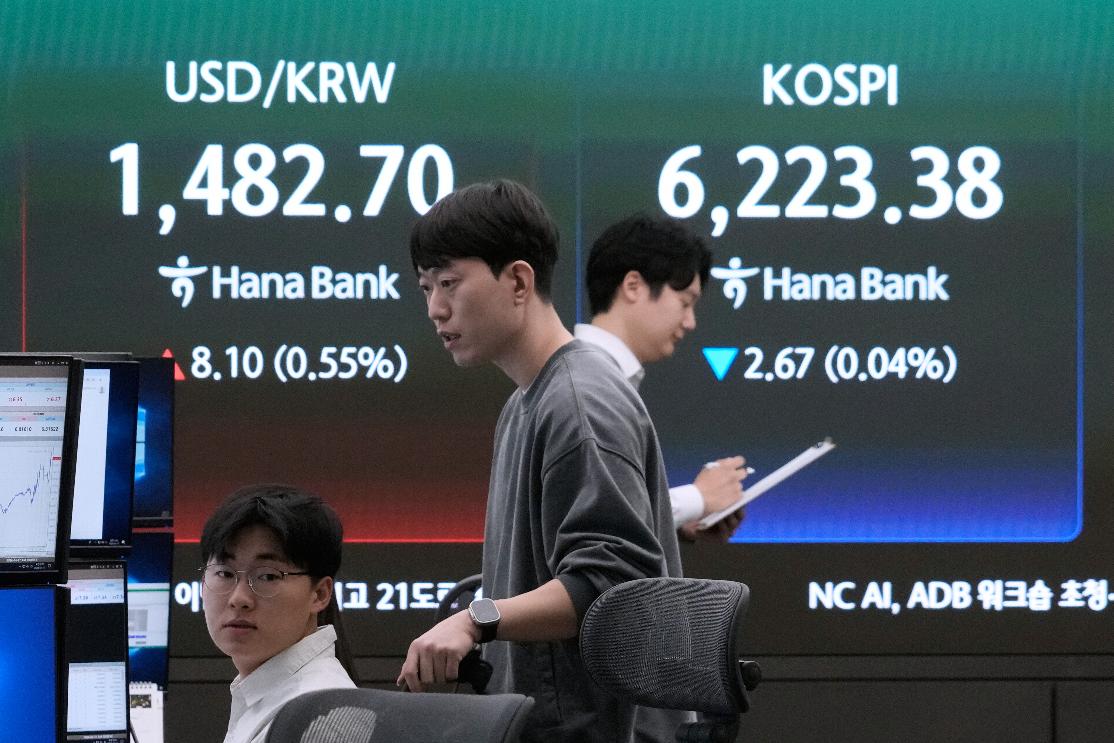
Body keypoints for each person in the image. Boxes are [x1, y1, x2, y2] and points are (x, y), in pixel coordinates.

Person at [398, 180, 683, 742]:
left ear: (520, 280)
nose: (435, 308)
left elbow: (610, 584)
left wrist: (477, 620)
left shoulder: (579, 403)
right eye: (426, 287)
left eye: (450, 283)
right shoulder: (526, 403)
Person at [576, 213, 747, 540]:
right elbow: (592, 522)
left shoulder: (591, 377)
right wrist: (698, 497)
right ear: (633, 286)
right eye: (685, 302)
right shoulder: (584, 383)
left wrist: (676, 524)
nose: (690, 322)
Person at [200, 484, 355, 743]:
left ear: (319, 594)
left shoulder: (319, 719)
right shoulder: (264, 693)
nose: (239, 599)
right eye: (225, 573)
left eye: (268, 576)